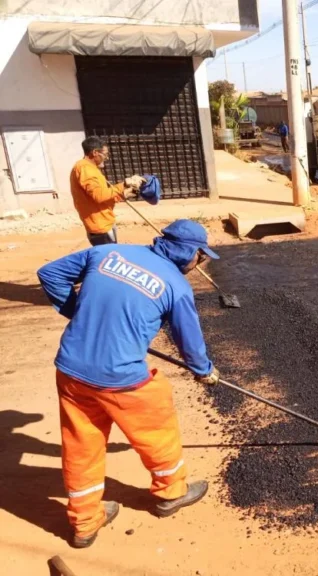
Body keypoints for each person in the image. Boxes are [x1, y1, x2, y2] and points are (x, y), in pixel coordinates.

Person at [37, 219, 221, 549]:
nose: (200, 261)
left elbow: (49, 273)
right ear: (188, 252)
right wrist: (204, 371)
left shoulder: (107, 252)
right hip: (122, 379)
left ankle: (85, 522)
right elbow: (189, 343)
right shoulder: (175, 287)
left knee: (82, 446)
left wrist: (78, 313)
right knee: (157, 432)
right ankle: (171, 494)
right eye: (200, 255)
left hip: (71, 371)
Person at [70, 136, 145, 245]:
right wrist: (124, 184)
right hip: (100, 227)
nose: (107, 157)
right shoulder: (85, 169)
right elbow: (99, 196)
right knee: (109, 258)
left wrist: (125, 193)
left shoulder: (91, 168)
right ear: (95, 152)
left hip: (104, 221)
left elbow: (104, 195)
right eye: (105, 154)